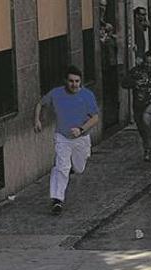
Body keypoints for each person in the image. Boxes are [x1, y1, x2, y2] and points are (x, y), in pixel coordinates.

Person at [33, 66, 100, 216]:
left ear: (81, 82)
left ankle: (70, 169)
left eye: (77, 81)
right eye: (71, 81)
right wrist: (37, 120)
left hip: (81, 139)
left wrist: (81, 129)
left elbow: (95, 118)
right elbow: (40, 104)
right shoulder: (56, 94)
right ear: (66, 81)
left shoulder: (87, 95)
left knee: (79, 168)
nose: (74, 84)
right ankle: (57, 199)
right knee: (61, 167)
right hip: (62, 137)